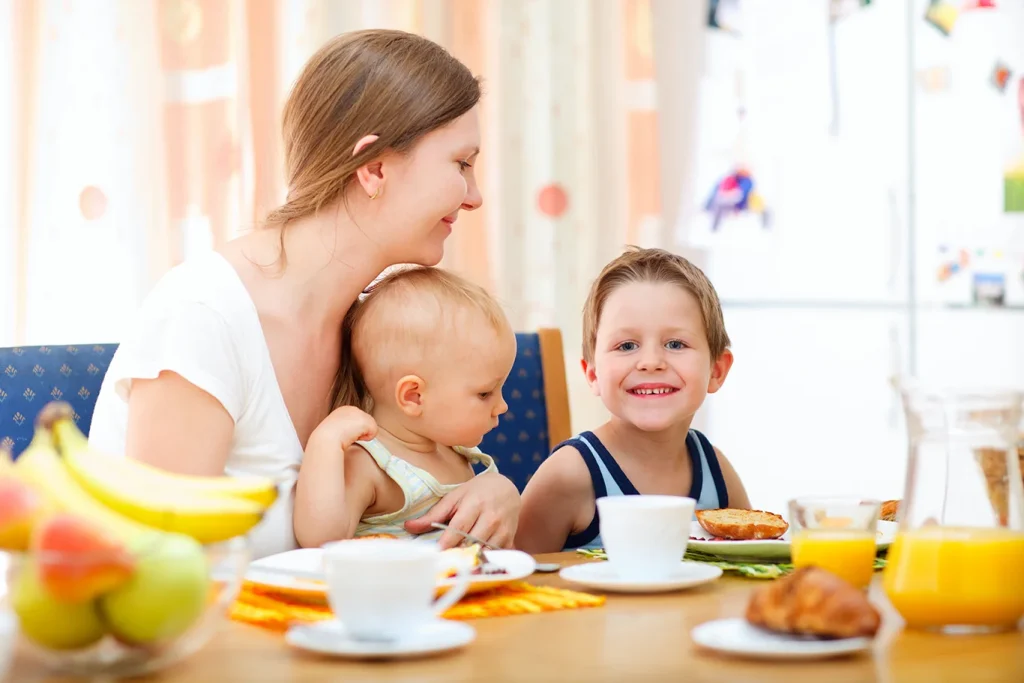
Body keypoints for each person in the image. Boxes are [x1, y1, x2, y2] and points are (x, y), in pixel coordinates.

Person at [88, 30, 522, 559]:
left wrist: (493, 493)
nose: (474, 197)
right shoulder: (203, 317)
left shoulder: (379, 330)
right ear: (375, 167)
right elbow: (161, 573)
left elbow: (413, 476)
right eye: (461, 164)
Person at [515, 247, 752, 553]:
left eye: (676, 343)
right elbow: (514, 581)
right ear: (593, 374)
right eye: (627, 345)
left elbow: (752, 566)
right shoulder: (568, 476)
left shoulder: (717, 472)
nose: (651, 361)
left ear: (716, 370)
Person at [293, 266, 516, 548]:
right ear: (414, 397)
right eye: (485, 393)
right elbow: (320, 541)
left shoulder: (456, 454)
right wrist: (325, 444)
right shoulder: (370, 462)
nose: (503, 406)